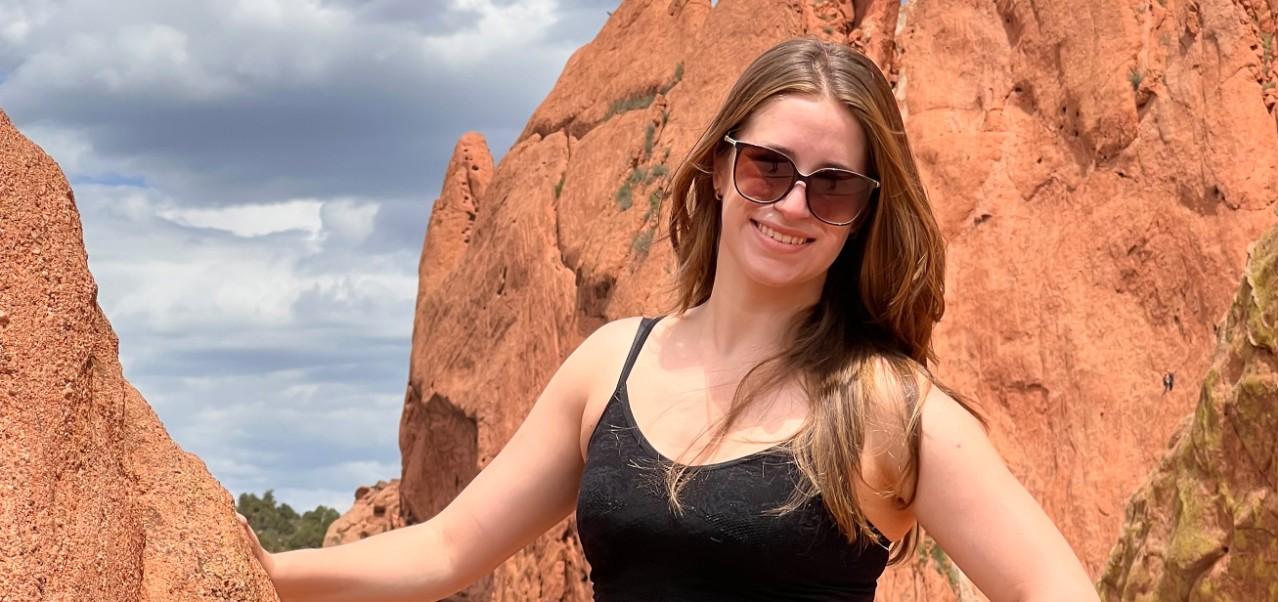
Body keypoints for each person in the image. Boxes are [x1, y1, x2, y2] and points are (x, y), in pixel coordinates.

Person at [236, 37, 1097, 601]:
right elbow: (447, 550)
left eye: (833, 185)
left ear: (865, 214)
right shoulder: (610, 364)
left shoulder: (887, 410)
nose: (793, 204)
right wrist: (266, 570)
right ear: (719, 170)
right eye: (767, 167)